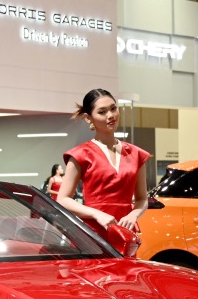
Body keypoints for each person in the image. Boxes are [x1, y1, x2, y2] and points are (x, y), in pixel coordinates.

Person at [57, 88, 150, 237]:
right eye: (102, 112)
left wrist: (133, 215)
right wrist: (96, 214)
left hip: (125, 231)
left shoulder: (136, 154)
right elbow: (63, 199)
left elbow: (142, 199)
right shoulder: (80, 154)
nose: (111, 115)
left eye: (113, 109)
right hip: (93, 233)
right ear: (88, 118)